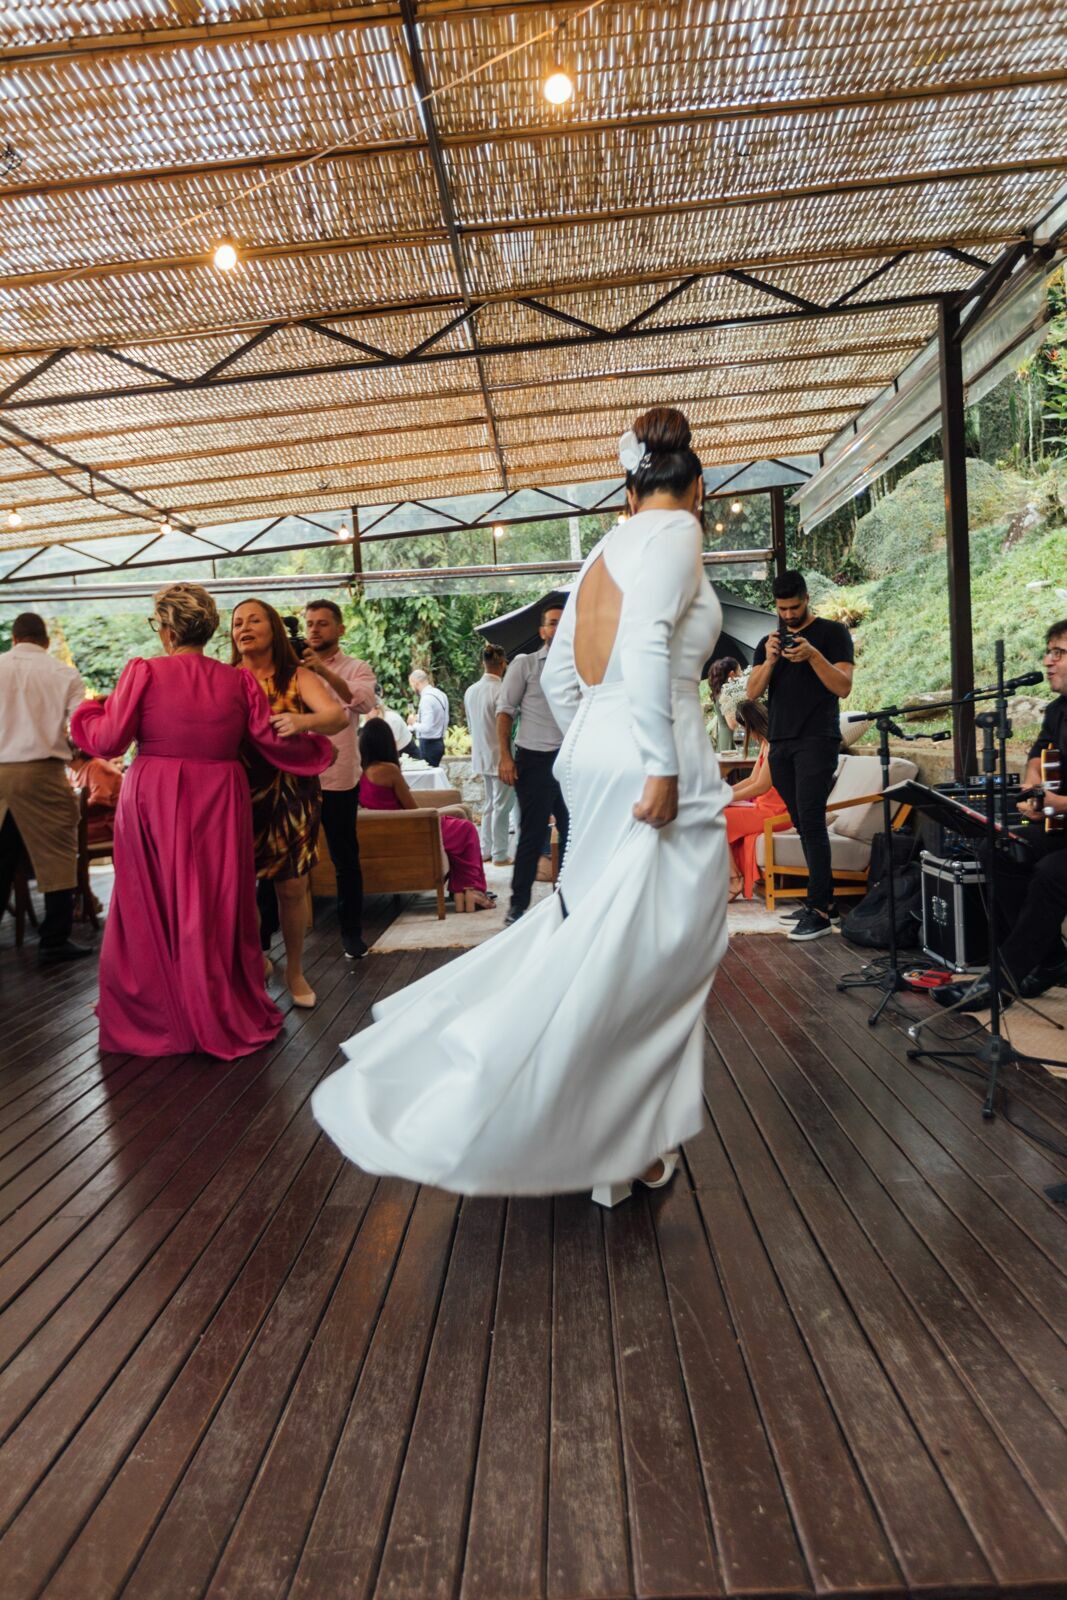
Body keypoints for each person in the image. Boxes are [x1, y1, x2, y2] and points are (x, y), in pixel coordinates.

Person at [311, 406, 730, 1205]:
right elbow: (647, 641)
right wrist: (658, 763)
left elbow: (563, 675)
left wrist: (592, 739)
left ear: (627, 489)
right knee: (670, 948)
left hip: (595, 749)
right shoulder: (677, 532)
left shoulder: (604, 551)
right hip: (657, 751)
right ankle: (607, 1131)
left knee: (612, 937)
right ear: (698, 485)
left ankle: (616, 1138)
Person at [70, 584, 332, 1057]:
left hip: (153, 794)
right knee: (214, 900)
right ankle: (214, 1001)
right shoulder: (239, 681)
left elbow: (108, 741)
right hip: (221, 796)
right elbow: (268, 739)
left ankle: (161, 1006)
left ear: (167, 631)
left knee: (151, 899)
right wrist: (313, 748)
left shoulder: (143, 671)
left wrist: (88, 710)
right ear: (209, 630)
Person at [936, 621, 1067, 1012]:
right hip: (1061, 824)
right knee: (998, 851)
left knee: (1051, 873)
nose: (1047, 661)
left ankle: (999, 983)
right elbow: (1038, 756)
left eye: (1058, 653)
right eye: (1048, 652)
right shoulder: (1058, 710)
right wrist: (1034, 789)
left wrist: (1057, 803)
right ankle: (1051, 960)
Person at [231, 598, 348, 1008]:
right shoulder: (227, 680)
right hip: (238, 795)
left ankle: (295, 970)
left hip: (291, 793)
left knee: (292, 887)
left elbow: (337, 717)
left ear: (274, 630)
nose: (244, 628)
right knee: (240, 888)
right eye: (237, 623)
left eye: (254, 620)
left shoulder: (297, 676)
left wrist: (303, 721)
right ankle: (255, 964)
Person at [747, 569, 854, 941]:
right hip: (780, 743)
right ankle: (825, 903)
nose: (789, 615)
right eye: (782, 609)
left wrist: (813, 656)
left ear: (807, 599)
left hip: (817, 739)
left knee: (810, 821)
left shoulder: (833, 634)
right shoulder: (768, 643)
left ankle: (819, 910)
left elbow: (843, 686)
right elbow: (751, 693)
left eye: (794, 607)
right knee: (802, 823)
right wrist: (770, 661)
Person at [0, 612, 90, 965]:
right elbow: (80, 729)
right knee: (58, 854)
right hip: (43, 772)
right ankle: (53, 941)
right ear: (46, 641)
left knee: (1, 857)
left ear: (14, 638)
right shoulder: (64, 674)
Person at [299, 599, 377, 961]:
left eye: (322, 623)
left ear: (340, 629)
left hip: (338, 777)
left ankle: (351, 933)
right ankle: (268, 934)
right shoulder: (292, 669)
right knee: (283, 856)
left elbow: (362, 703)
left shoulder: (357, 667)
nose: (314, 630)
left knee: (345, 858)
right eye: (310, 624)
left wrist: (323, 672)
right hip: (296, 777)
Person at [357, 719, 496, 911]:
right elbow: (412, 808)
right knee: (467, 829)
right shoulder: (389, 770)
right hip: (409, 829)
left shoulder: (360, 773)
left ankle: (464, 890)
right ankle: (469, 890)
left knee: (459, 826)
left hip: (391, 828)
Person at [497, 604, 571, 925]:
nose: (558, 628)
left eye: (563, 622)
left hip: (570, 761)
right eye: (552, 623)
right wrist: (505, 756)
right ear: (542, 631)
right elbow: (504, 711)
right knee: (532, 833)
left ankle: (567, 898)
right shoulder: (524, 664)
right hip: (534, 760)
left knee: (573, 832)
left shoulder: (581, 667)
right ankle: (517, 906)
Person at [723, 698, 791, 900]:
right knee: (714, 812)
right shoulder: (765, 744)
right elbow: (752, 779)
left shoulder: (775, 745)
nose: (748, 735)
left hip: (776, 812)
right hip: (762, 807)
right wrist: (723, 793)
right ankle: (729, 876)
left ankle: (735, 879)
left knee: (717, 817)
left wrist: (724, 798)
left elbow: (761, 786)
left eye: (746, 729)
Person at [464, 644, 514, 865]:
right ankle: (500, 853)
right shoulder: (502, 690)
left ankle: (486, 850)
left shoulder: (471, 691)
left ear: (483, 663)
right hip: (501, 755)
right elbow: (509, 725)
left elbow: (471, 725)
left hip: (481, 754)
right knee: (502, 806)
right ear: (502, 664)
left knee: (490, 804)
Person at [68, 746, 123, 847]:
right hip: (89, 822)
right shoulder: (73, 771)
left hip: (107, 823)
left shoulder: (96, 766)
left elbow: (99, 801)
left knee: (63, 836)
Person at [407, 669, 449, 766]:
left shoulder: (426, 699)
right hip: (439, 741)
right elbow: (442, 717)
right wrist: (418, 717)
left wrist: (413, 723)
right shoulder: (441, 694)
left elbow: (426, 727)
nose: (412, 688)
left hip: (429, 745)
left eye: (411, 685)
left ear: (416, 683)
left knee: (427, 774)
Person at [707, 655, 743, 752]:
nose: (742, 674)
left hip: (725, 737)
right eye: (740, 671)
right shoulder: (726, 694)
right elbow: (733, 724)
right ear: (732, 674)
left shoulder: (720, 692)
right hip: (732, 739)